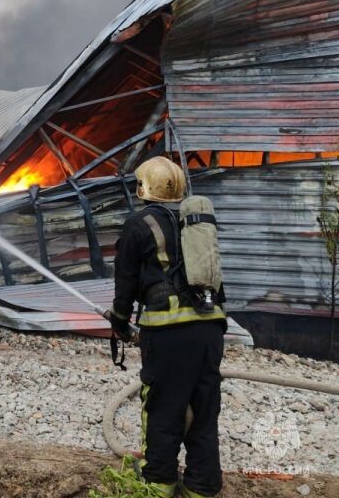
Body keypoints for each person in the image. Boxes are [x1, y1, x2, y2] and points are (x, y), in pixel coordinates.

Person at [108, 156, 228, 498]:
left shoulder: (138, 224)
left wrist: (119, 321)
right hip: (210, 330)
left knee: (163, 410)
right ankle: (202, 488)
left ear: (144, 188)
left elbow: (126, 283)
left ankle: (158, 484)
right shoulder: (195, 224)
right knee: (204, 411)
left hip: (168, 332)